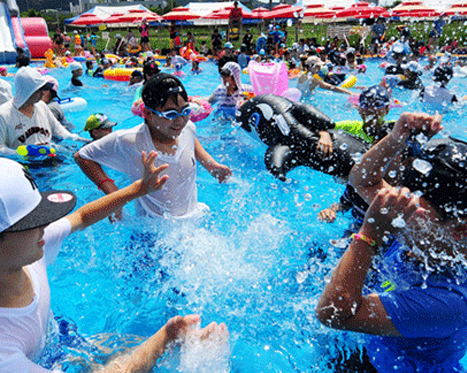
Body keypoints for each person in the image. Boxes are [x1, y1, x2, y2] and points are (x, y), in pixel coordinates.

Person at [0, 155, 228, 372]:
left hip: (58, 337)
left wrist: (137, 190)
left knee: (137, 347)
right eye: (32, 221)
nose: (45, 224)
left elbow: (81, 217)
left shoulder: (26, 251)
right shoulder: (4, 353)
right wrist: (166, 336)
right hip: (37, 361)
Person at [317, 110, 467, 372]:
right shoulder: (428, 232)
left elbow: (332, 312)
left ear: (459, 228)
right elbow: (362, 180)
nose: (399, 199)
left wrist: (370, 233)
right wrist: (397, 139)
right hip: (375, 347)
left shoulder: (450, 302)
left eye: (413, 199)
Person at [75, 73, 232, 219]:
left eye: (185, 111)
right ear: (149, 114)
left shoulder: (187, 127)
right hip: (151, 232)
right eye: (170, 114)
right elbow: (82, 155)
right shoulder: (130, 140)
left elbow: (191, 139)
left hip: (192, 219)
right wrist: (112, 193)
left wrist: (211, 165)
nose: (180, 121)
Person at [317, 86, 394, 225]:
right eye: (365, 104)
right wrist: (325, 135)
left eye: (377, 104)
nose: (370, 109)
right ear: (358, 108)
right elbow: (322, 125)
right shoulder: (351, 127)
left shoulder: (390, 134)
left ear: (387, 110)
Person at [0, 67, 86, 155]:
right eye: (40, 90)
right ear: (28, 91)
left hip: (50, 157)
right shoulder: (3, 114)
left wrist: (80, 140)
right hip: (24, 164)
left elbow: (59, 130)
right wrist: (23, 152)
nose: (44, 93)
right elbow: (1, 149)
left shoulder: (42, 106)